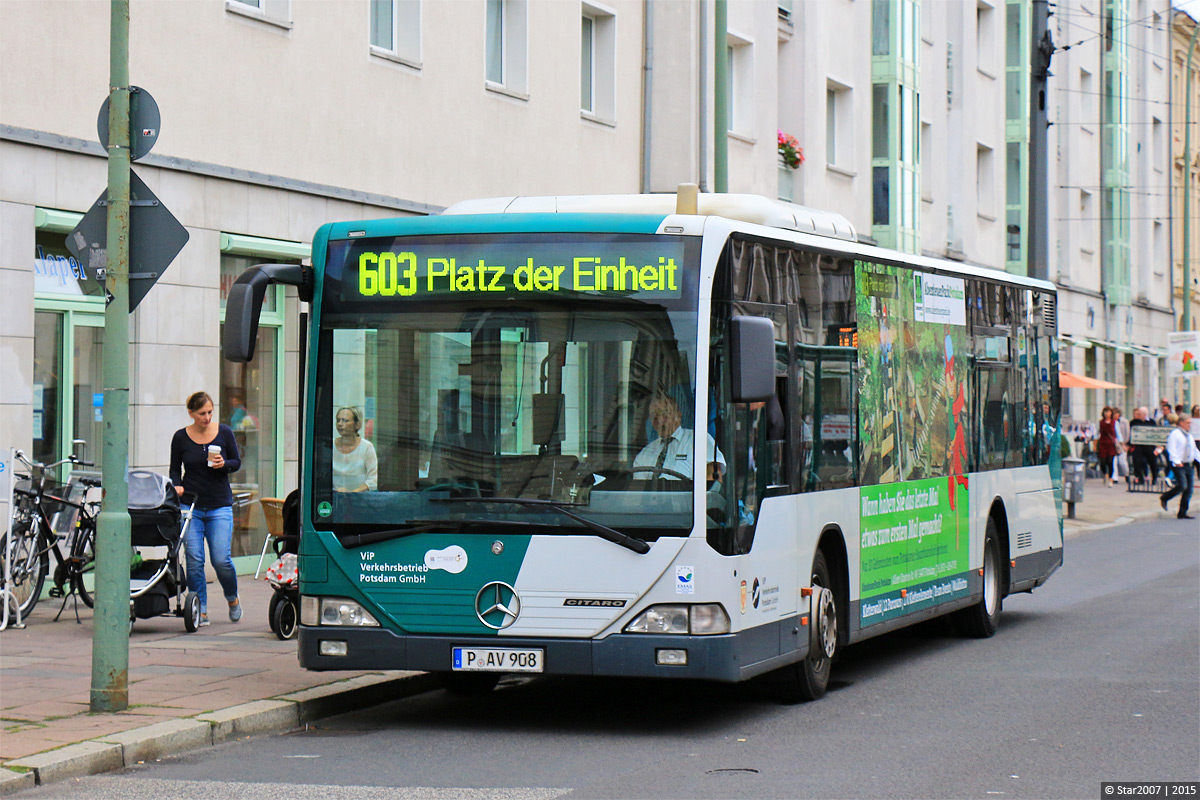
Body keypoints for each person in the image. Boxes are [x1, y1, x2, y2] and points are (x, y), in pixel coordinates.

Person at [170, 391, 242, 626]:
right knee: (194, 559)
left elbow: (236, 462)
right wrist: (177, 485)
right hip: (190, 505)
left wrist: (224, 465)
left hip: (219, 504)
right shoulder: (181, 437)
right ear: (190, 413)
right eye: (202, 413)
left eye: (210, 412)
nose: (207, 417)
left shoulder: (225, 433)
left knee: (221, 559)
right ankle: (200, 609)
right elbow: (174, 468)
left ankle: (232, 597)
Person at [633, 393, 725, 484]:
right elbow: (638, 491)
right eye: (654, 415)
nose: (660, 420)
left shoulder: (698, 440)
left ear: (678, 415)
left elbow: (714, 479)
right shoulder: (645, 453)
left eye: (665, 414)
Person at [333, 407, 378, 492]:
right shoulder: (329, 446)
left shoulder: (367, 447)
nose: (340, 424)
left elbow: (373, 481)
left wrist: (354, 492)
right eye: (338, 420)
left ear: (357, 424)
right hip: (334, 499)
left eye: (345, 421)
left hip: (360, 499)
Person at [1160, 414, 1195, 519]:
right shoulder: (1175, 434)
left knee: (1189, 489)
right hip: (1179, 464)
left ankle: (1182, 512)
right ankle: (1165, 497)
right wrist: (1176, 461)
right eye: (1188, 423)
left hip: (1188, 464)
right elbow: (1171, 449)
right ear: (1181, 423)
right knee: (1182, 485)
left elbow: (1193, 450)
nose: (1190, 425)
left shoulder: (1189, 435)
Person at [1129, 406, 1159, 485]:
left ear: (1144, 414)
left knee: (1152, 462)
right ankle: (1140, 478)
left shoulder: (1151, 422)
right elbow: (1132, 433)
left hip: (1149, 445)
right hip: (1138, 445)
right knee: (1137, 461)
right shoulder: (1134, 422)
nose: (1137, 415)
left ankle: (1154, 477)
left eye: (1139, 414)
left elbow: (1155, 433)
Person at [1094, 406, 1119, 488]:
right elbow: (1096, 434)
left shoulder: (1115, 423)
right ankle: (1106, 474)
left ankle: (1111, 479)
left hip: (1111, 444)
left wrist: (1121, 444)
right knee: (1103, 462)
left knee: (1110, 461)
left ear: (1111, 413)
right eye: (1105, 412)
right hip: (1103, 444)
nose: (1107, 414)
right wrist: (1095, 445)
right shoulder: (1100, 423)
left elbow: (1118, 434)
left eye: (1108, 412)